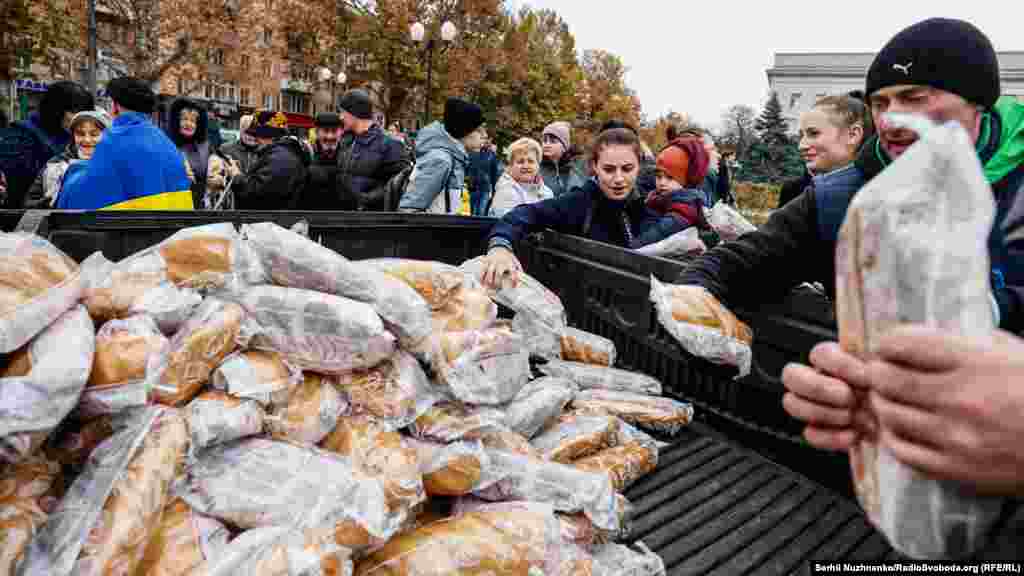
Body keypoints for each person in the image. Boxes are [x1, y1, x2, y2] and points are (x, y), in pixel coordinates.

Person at [672, 18, 1024, 339]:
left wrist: (994, 309)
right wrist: (691, 298)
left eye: (914, 99)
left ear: (977, 104)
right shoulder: (840, 198)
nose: (889, 122)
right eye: (880, 104)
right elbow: (743, 262)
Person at [479, 128, 679, 288]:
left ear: (639, 167)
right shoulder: (578, 203)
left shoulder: (643, 206)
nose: (618, 179)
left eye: (627, 169)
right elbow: (523, 215)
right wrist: (500, 247)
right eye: (609, 169)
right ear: (595, 166)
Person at [57, 77, 192, 210]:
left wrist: (73, 171)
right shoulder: (167, 143)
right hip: (169, 228)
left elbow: (86, 198)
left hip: (130, 229)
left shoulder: (111, 140)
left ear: (114, 106)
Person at [0, 81, 94, 208]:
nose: (80, 119)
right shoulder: (20, 135)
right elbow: (16, 187)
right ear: (56, 110)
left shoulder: (75, 138)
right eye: (75, 111)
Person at [778, 94, 870, 208]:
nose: (801, 146)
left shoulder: (881, 195)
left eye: (814, 133)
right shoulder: (793, 191)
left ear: (852, 135)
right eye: (801, 136)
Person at [399, 97, 486, 214]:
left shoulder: (451, 157)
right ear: (465, 130)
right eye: (479, 130)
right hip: (432, 231)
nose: (484, 135)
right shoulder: (441, 160)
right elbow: (409, 209)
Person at [326, 89, 409, 211]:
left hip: (370, 220)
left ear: (354, 113)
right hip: (344, 217)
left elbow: (399, 184)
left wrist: (366, 200)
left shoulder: (390, 145)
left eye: (343, 112)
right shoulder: (346, 141)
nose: (340, 117)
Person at [25, 110, 111, 208]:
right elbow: (29, 202)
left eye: (94, 134)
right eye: (80, 134)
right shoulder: (55, 164)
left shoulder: (115, 164)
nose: (87, 140)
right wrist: (45, 204)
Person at [231, 110, 311, 210]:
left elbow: (257, 195)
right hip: (273, 222)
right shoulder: (280, 153)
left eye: (258, 135)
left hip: (274, 223)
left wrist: (236, 176)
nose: (256, 139)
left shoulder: (280, 158)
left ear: (269, 135)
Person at [642, 137, 712, 241]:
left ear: (687, 180)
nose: (662, 183)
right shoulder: (657, 198)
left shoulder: (684, 210)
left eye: (670, 177)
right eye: (658, 176)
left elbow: (647, 240)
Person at [167, 98, 216, 207]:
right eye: (184, 119)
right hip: (174, 205)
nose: (188, 124)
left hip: (201, 206)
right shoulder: (167, 144)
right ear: (176, 121)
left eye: (193, 120)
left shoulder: (206, 146)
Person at [488, 137, 553, 218]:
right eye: (520, 162)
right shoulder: (505, 191)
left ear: (538, 165)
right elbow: (511, 224)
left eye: (531, 161)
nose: (526, 166)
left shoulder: (547, 193)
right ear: (511, 166)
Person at [303, 112, 344, 208]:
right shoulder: (306, 154)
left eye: (334, 131)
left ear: (341, 132)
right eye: (325, 131)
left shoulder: (350, 155)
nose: (330, 136)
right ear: (317, 132)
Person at [540, 121, 587, 198]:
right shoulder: (536, 167)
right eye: (545, 140)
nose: (547, 145)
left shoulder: (577, 167)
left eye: (553, 141)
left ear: (564, 147)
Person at [469, 131, 501, 216]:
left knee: (481, 212)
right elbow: (469, 169)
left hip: (485, 189)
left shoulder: (492, 156)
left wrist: (495, 191)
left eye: (488, 139)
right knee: (473, 213)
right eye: (484, 138)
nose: (486, 141)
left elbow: (495, 174)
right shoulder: (473, 153)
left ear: (491, 140)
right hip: (473, 188)